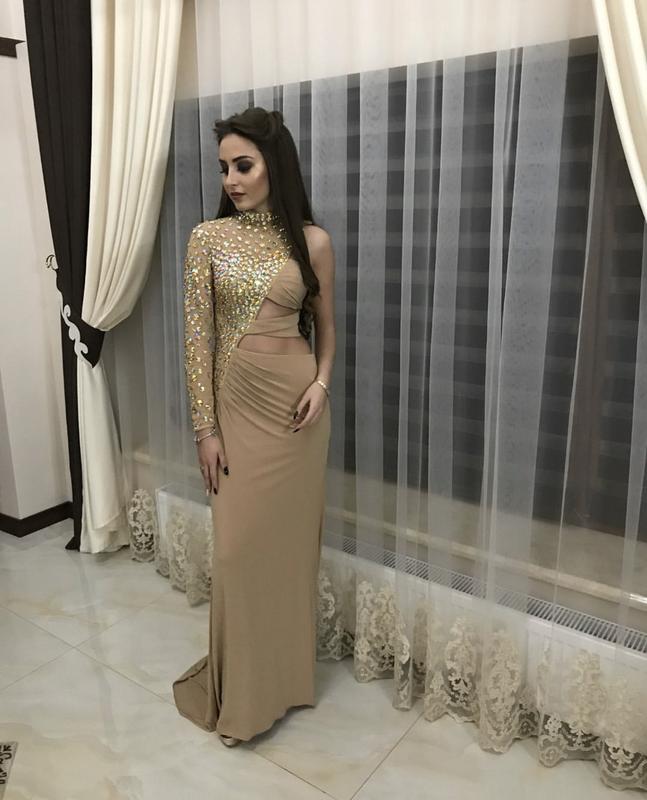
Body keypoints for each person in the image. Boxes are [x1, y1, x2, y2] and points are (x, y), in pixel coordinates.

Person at [172, 107, 335, 748]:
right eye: (224, 169)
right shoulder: (207, 238)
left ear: (275, 166)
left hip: (298, 416)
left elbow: (327, 331)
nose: (232, 180)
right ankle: (241, 698)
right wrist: (204, 430)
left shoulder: (312, 241)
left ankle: (285, 683)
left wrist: (322, 384)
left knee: (289, 556)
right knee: (237, 555)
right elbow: (197, 342)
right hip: (236, 413)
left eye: (244, 165)